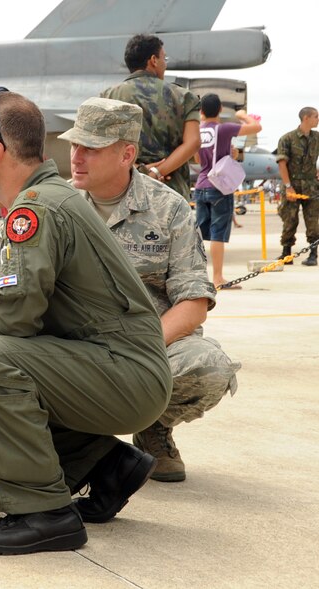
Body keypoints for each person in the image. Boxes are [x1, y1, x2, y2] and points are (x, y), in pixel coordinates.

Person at [0, 88, 171, 555]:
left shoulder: (37, 209)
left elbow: (13, 317)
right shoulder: (45, 198)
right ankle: (107, 466)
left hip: (125, 372)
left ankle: (43, 513)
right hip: (120, 366)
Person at [61, 97, 241, 483]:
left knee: (209, 366)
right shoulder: (58, 204)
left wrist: (138, 349)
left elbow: (193, 304)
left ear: (127, 154)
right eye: (75, 144)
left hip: (146, 343)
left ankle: (153, 427)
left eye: (90, 148)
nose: (76, 156)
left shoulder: (169, 209)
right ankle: (76, 440)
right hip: (75, 344)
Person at [101, 34, 200, 198]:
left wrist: (139, 170)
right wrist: (156, 171)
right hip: (170, 192)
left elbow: (102, 143)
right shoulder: (183, 96)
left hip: (124, 188)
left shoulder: (108, 96)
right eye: (164, 58)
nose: (165, 63)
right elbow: (193, 142)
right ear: (153, 60)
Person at [194, 94, 261, 286]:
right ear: (220, 109)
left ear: (201, 112)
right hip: (219, 187)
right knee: (217, 234)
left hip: (200, 185)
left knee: (198, 234)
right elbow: (256, 127)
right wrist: (242, 114)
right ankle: (217, 277)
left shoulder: (198, 130)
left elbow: (198, 160)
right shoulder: (223, 129)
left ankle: (197, 276)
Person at [276, 106, 319, 266]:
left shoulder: (317, 138)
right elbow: (282, 164)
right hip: (292, 185)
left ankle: (313, 254)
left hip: (311, 186)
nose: (318, 119)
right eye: (316, 116)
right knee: (290, 220)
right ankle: (286, 254)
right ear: (306, 118)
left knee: (313, 221)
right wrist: (288, 186)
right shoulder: (287, 138)